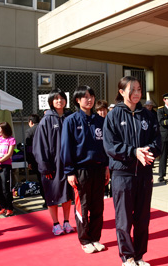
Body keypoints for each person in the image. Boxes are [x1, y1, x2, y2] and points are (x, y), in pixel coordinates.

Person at [103, 76, 162, 266]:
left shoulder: (148, 115)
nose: (137, 93)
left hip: (144, 173)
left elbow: (157, 142)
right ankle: (127, 257)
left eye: (139, 89)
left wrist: (146, 152)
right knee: (124, 219)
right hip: (123, 174)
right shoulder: (113, 116)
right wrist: (133, 152)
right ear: (121, 92)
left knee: (143, 218)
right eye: (132, 89)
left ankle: (139, 256)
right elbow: (110, 146)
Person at [61, 86, 109, 254]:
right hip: (80, 170)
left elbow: (105, 146)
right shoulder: (71, 120)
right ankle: (85, 240)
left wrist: (107, 167)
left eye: (91, 96)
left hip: (99, 168)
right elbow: (66, 147)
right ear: (77, 100)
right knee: (83, 205)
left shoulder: (100, 120)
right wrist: (69, 172)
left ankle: (95, 238)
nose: (89, 100)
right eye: (85, 97)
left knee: (98, 206)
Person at [33, 88, 74, 235]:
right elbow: (39, 147)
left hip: (69, 165)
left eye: (62, 98)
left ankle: (67, 222)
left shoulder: (70, 117)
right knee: (53, 195)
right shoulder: (46, 121)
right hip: (52, 167)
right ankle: (56, 224)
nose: (59, 101)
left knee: (68, 195)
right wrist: (45, 168)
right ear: (51, 102)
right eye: (56, 98)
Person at [25, 114, 46, 207]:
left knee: (41, 180)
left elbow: (28, 148)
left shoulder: (29, 131)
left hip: (36, 160)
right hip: (48, 158)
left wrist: (29, 161)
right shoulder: (45, 128)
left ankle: (46, 200)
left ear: (30, 122)